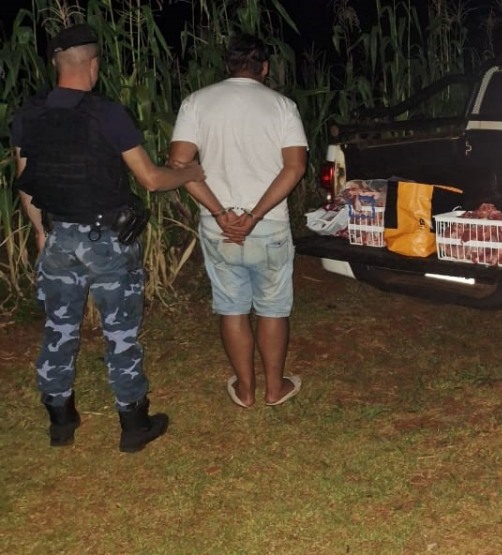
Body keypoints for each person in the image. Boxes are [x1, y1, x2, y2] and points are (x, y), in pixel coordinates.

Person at [12, 24, 205, 452]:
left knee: (58, 328)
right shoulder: (106, 113)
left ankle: (60, 421)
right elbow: (152, 180)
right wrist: (191, 172)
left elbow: (26, 183)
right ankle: (134, 424)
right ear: (94, 65)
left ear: (55, 64)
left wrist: (42, 232)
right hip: (108, 242)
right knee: (120, 332)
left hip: (59, 235)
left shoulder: (30, 114)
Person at [168, 33, 307, 408]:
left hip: (220, 227)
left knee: (231, 307)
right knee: (273, 308)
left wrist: (220, 211)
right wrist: (255, 215)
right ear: (264, 67)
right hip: (269, 227)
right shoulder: (282, 106)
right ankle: (274, 389)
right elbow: (294, 168)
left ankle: (245, 391)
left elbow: (178, 164)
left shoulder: (196, 103)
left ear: (227, 66)